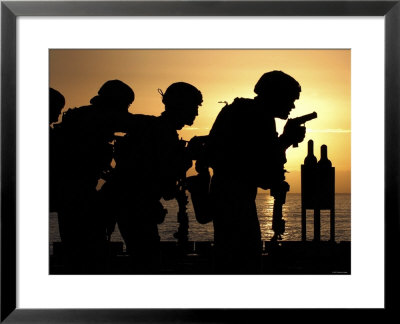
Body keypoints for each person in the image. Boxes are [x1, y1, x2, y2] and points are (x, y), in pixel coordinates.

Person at [206, 71, 306, 274]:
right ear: (276, 95)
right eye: (290, 99)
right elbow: (262, 171)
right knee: (244, 261)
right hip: (234, 201)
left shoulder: (242, 111)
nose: (293, 106)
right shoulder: (258, 117)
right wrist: (286, 140)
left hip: (228, 197)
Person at [107, 82, 202, 273]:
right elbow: (160, 176)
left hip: (128, 205)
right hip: (134, 207)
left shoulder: (157, 129)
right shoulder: (161, 132)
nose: (196, 113)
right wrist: (186, 157)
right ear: (180, 106)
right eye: (194, 107)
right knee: (147, 262)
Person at [52, 80, 135, 273]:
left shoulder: (84, 116)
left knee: (79, 250)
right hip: (77, 194)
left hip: (75, 193)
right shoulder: (94, 118)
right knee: (86, 252)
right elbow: (132, 123)